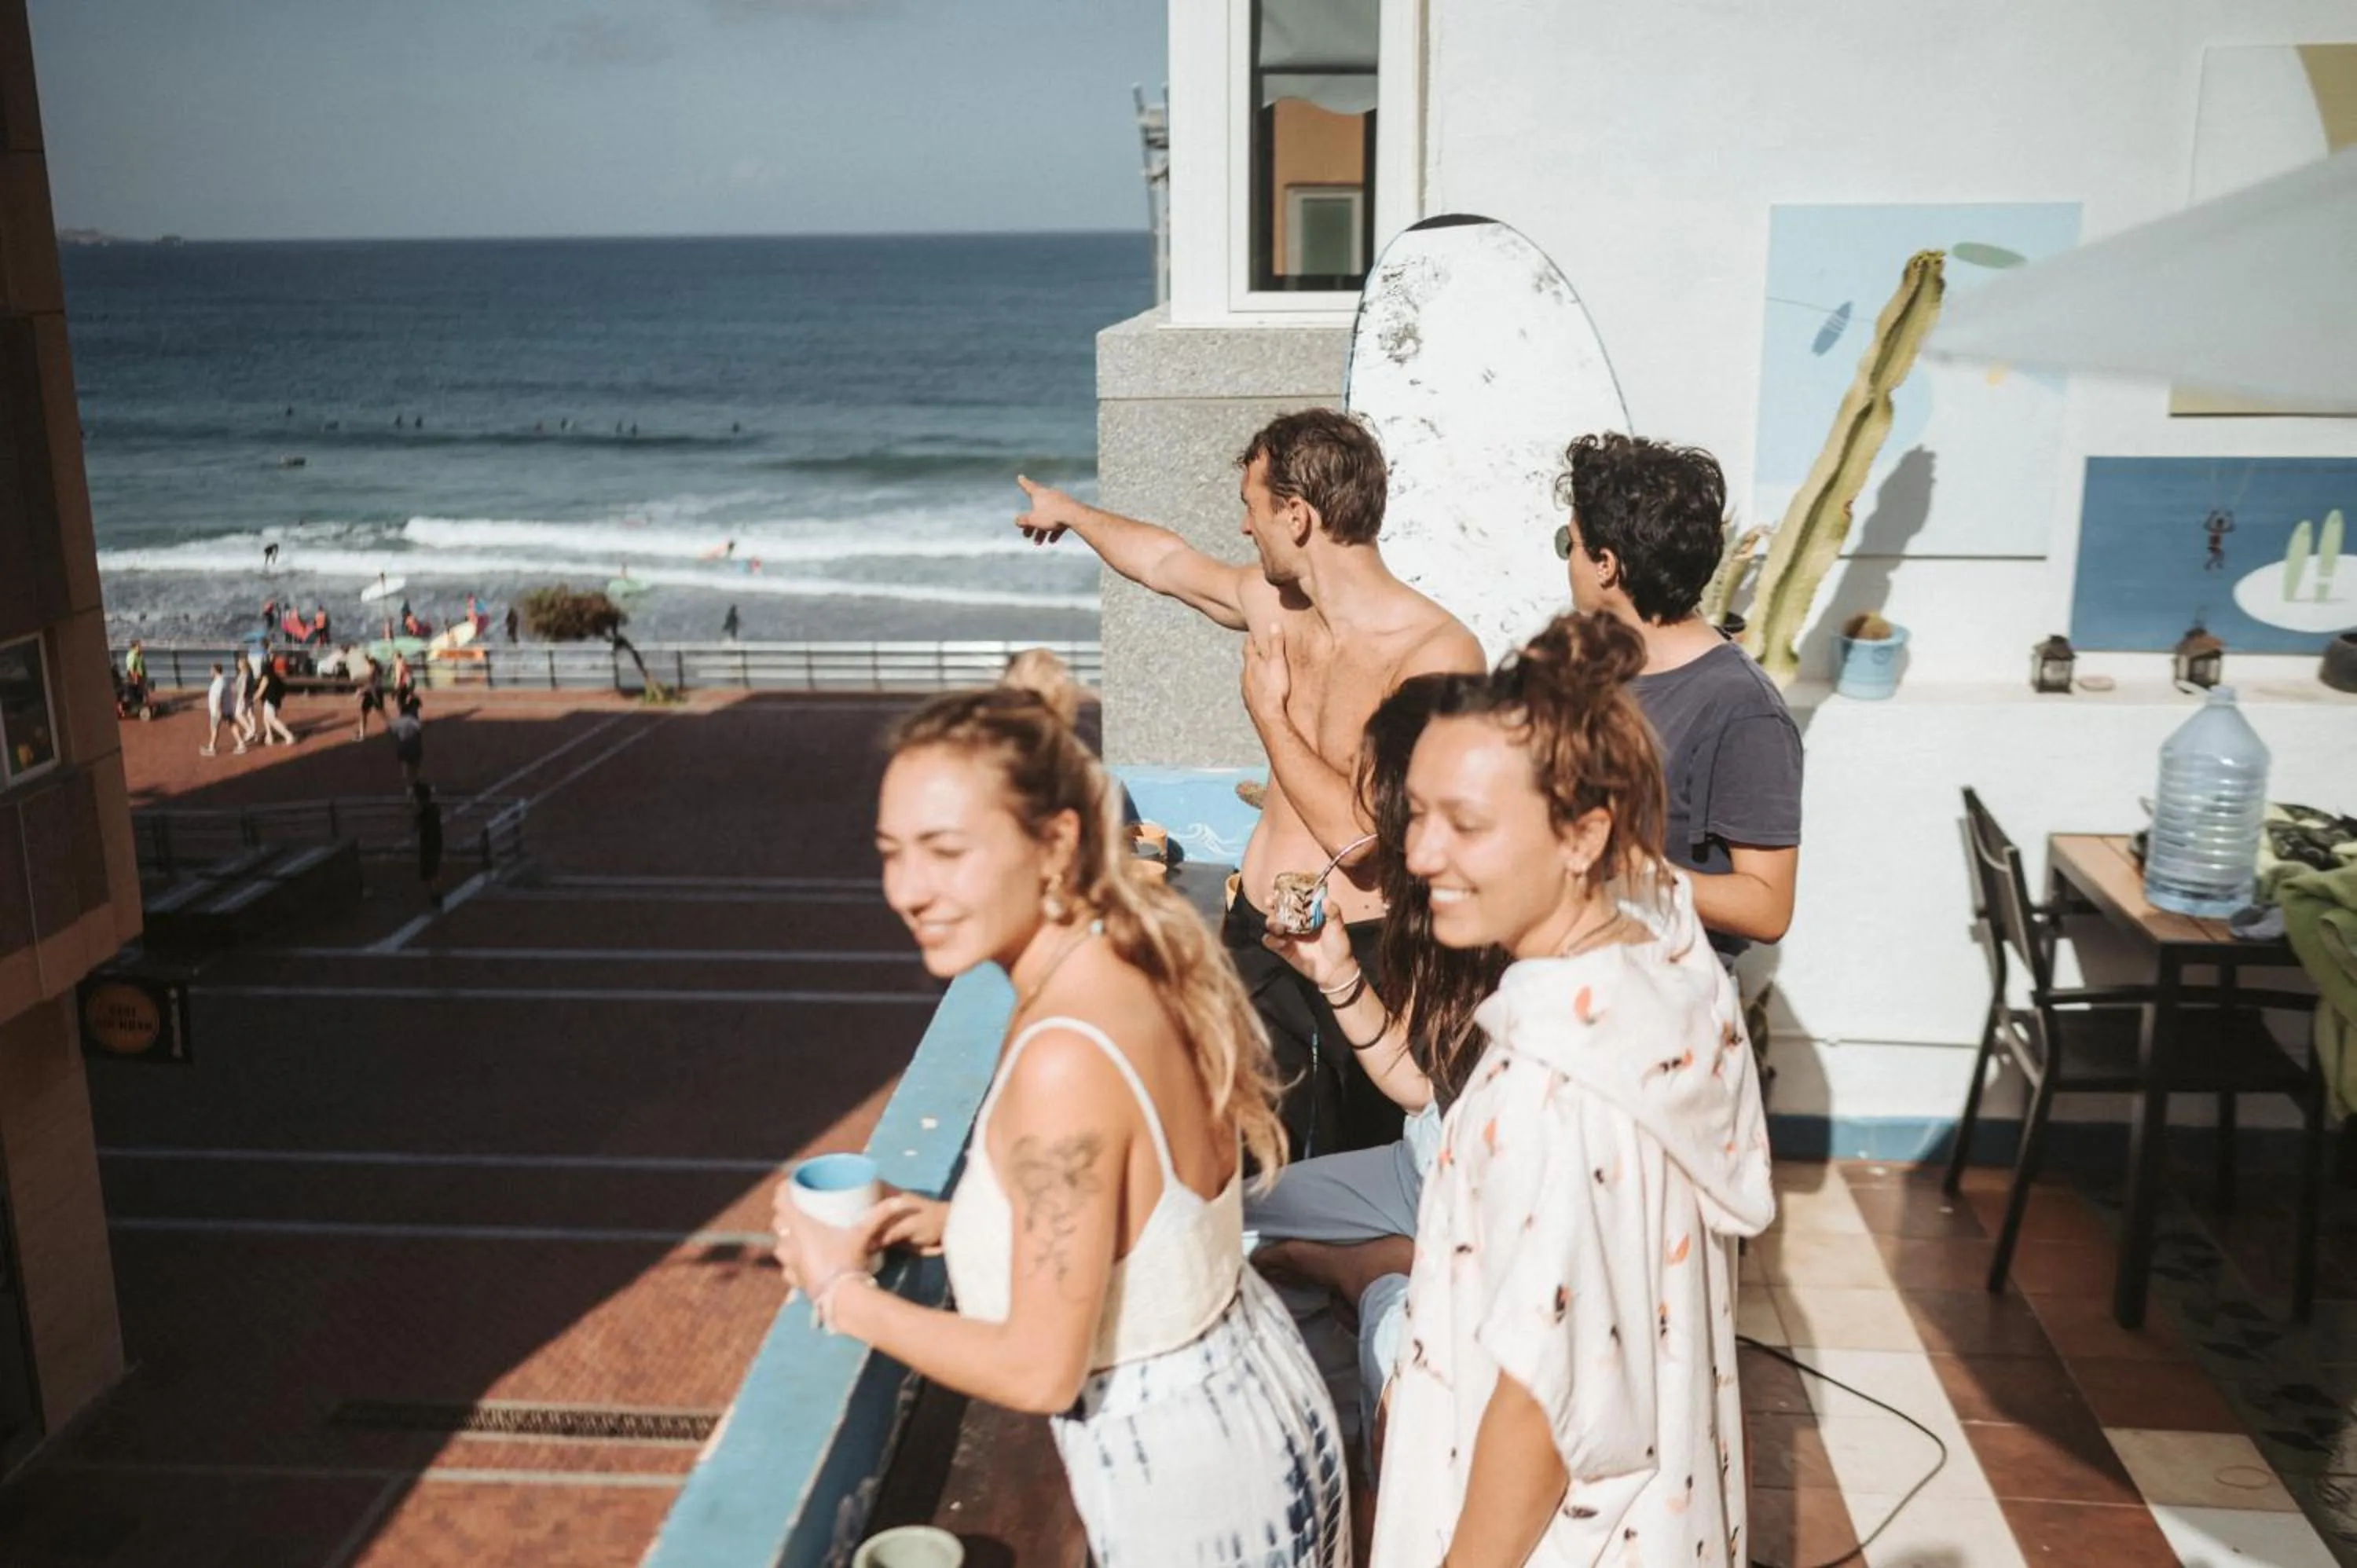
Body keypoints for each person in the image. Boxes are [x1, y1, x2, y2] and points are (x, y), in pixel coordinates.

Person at [771, 688, 1349, 1568]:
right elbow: (1140, 1208)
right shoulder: (1131, 959)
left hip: (1185, 1483)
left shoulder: (1061, 1056)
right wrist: (956, 1222)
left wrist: (840, 1292)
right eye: (893, 853)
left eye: (947, 851)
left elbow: (1039, 1369)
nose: (910, 890)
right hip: (1253, 1399)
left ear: (1057, 843)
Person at [1366, 612, 1773, 1568]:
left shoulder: (1546, 1091)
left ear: (1585, 833)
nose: (1423, 856)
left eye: (1466, 824)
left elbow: (1544, 1403)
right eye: (1417, 812)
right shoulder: (1664, 950)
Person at [1017, 409, 1484, 1160]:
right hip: (1257, 938)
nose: (1243, 527)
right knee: (1238, 1158)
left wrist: (1269, 713)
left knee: (1345, 1168)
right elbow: (1164, 563)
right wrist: (1072, 514)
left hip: (1361, 954)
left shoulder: (1435, 656)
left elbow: (1360, 841)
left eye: (1252, 506)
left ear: (1297, 516)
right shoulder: (1275, 607)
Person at [1249, 675, 1507, 1446]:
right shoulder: (1429, 910)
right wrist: (1335, 972)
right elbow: (1420, 1083)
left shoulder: (1532, 948)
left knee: (1404, 1372)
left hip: (1475, 1217)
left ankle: (1375, 1276)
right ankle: (1362, 1294)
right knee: (1233, 1224)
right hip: (1420, 1165)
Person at [1556, 432, 1802, 961]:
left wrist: (1626, 867)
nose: (1566, 561)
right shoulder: (1601, 667)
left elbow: (1767, 906)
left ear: (1606, 563)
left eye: (1569, 543)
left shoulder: (1742, 710)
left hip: (1665, 1007)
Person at [413, 782, 444, 910]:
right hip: (435, 844)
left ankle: (434, 898)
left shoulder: (424, 813)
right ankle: (436, 897)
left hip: (428, 845)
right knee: (434, 872)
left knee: (428, 873)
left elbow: (416, 826)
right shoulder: (434, 809)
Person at [257, 658, 295, 746]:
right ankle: (269, 737)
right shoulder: (275, 677)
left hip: (269, 701)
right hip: (274, 701)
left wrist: (250, 699)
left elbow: (260, 692)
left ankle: (288, 736)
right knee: (266, 718)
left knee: (272, 719)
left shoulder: (266, 678)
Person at [389, 697, 424, 786]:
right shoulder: (414, 721)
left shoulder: (396, 722)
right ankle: (416, 786)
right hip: (414, 747)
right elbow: (420, 730)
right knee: (415, 769)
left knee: (405, 769)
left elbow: (392, 733)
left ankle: (408, 788)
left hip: (403, 747)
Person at [353, 649, 384, 742]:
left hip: (373, 693)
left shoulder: (372, 667)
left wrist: (360, 691)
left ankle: (362, 735)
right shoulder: (377, 666)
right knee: (365, 713)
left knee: (379, 713)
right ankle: (362, 734)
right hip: (376, 692)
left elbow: (370, 682)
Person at [200, 663, 228, 756]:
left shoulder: (219, 682)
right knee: (216, 728)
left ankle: (212, 748)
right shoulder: (219, 680)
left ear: (215, 671)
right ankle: (211, 746)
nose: (210, 672)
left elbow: (218, 697)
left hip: (216, 710)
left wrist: (218, 710)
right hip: (215, 709)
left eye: (211, 670)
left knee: (214, 729)